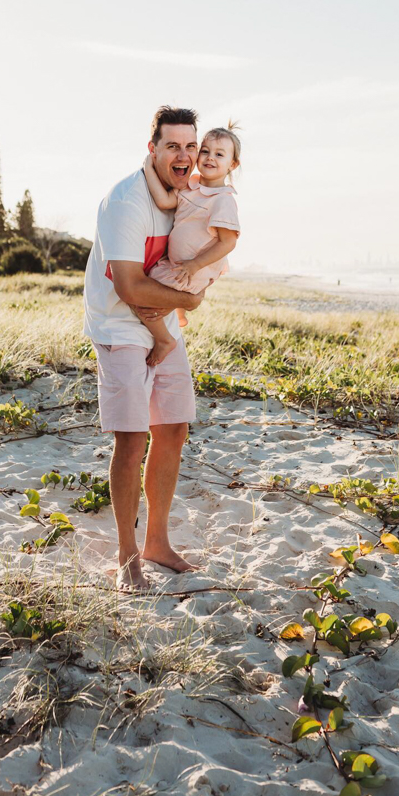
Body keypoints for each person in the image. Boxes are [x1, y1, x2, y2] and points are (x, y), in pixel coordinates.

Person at [83, 105, 207, 591]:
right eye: (172, 145)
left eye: (189, 146)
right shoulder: (127, 202)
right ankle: (126, 554)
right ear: (152, 149)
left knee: (173, 428)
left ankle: (156, 541)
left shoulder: (183, 196)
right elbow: (131, 287)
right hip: (119, 326)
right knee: (132, 441)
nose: (183, 155)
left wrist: (175, 313)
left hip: (162, 322)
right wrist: (187, 301)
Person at [140, 124, 241, 365]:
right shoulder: (191, 186)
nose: (209, 158)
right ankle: (178, 310)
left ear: (232, 165)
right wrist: (148, 169)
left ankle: (164, 339)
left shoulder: (223, 200)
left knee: (143, 297)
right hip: (179, 264)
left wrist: (195, 265)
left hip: (194, 267)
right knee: (151, 277)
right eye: (205, 151)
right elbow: (164, 201)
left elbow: (228, 243)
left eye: (219, 154)